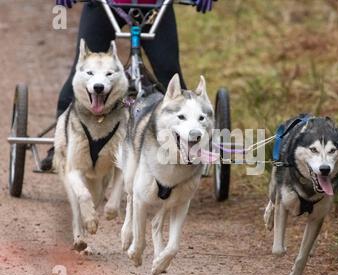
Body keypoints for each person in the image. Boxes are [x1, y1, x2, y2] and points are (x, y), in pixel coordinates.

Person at [41, 0, 215, 170]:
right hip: (104, 5)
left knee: (169, 74)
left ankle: (188, 145)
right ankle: (60, 146)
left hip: (155, 7)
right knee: (85, 74)